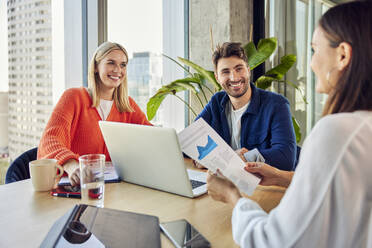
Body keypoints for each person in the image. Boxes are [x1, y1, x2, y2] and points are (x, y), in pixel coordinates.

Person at [206, 1, 372, 247]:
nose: (312, 63)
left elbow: (275, 242)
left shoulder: (340, 132)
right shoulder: (363, 127)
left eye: (315, 50)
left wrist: (233, 196)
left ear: (343, 55)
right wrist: (283, 177)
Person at [38, 42, 152, 186]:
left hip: (113, 190)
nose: (118, 70)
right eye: (111, 63)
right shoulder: (73, 97)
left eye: (123, 65)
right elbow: (50, 140)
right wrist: (73, 166)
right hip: (75, 188)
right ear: (96, 67)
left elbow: (152, 136)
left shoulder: (128, 106)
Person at [195, 42, 296, 171]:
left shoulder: (277, 105)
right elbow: (190, 143)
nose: (234, 77)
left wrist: (237, 158)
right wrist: (211, 158)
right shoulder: (216, 102)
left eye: (239, 69)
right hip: (230, 182)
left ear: (248, 70)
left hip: (265, 185)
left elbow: (286, 158)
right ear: (217, 78)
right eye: (225, 72)